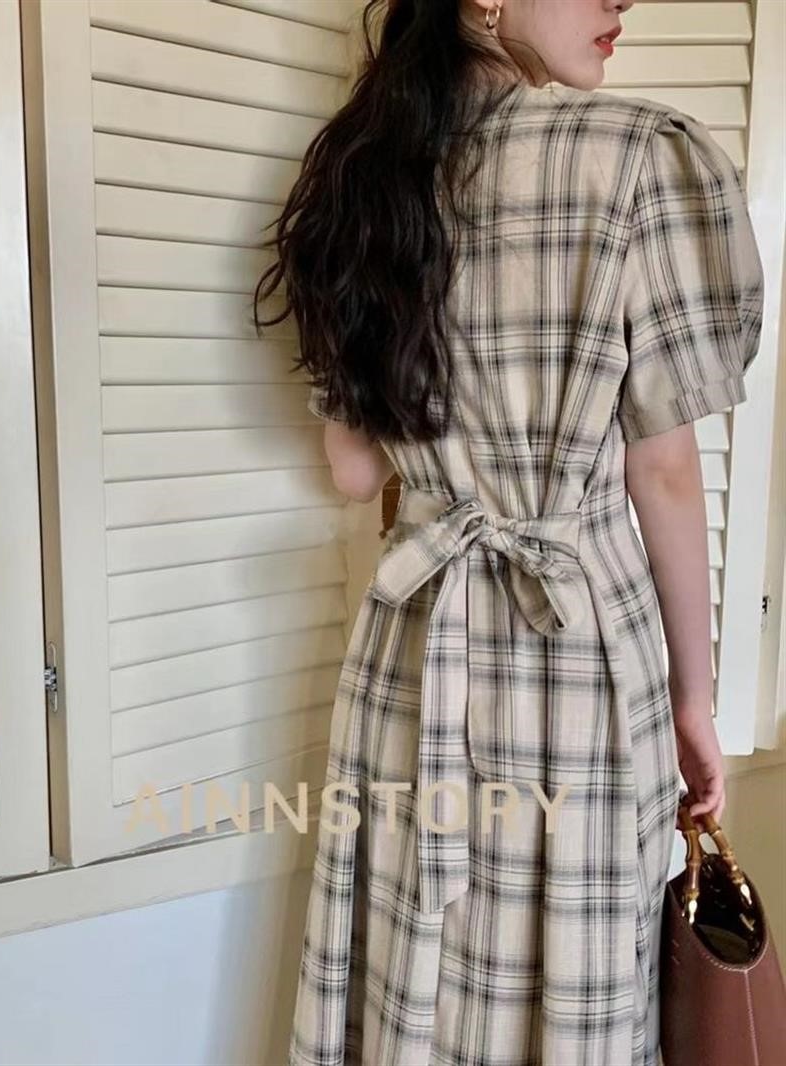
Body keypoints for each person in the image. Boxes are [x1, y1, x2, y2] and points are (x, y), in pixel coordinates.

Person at [252, 0, 765, 1062]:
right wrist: (694, 701)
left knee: (419, 961)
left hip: (414, 653)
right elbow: (664, 471)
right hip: (582, 657)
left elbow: (354, 472)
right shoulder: (638, 159)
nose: (620, 1)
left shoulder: (361, 180)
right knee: (574, 969)